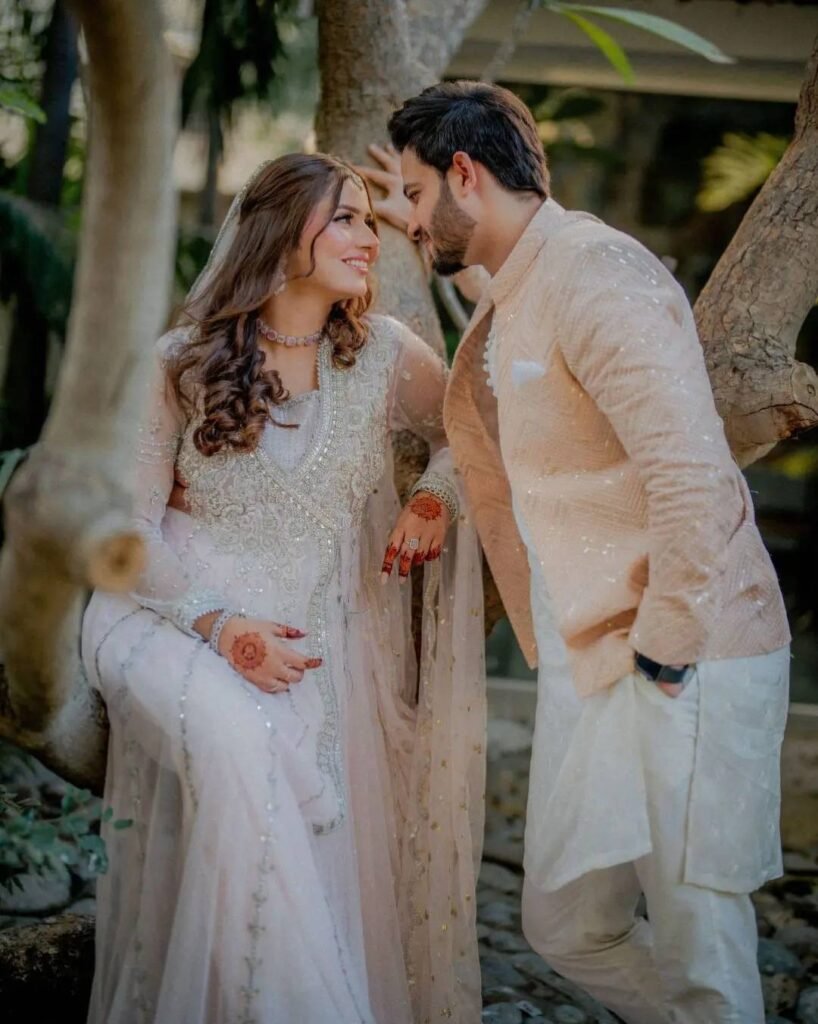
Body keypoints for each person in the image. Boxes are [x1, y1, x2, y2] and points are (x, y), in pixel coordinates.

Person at [359, 81, 791, 1023]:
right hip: (597, 662)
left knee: (701, 944)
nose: (414, 219)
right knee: (565, 926)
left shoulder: (598, 273)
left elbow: (692, 474)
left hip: (683, 654)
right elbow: (512, 317)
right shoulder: (528, 278)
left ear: (465, 174)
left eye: (420, 193)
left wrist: (668, 649)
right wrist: (411, 223)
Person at [82, 152, 486, 1024]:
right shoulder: (181, 362)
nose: (365, 238)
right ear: (276, 232)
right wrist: (219, 625)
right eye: (344, 218)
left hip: (312, 640)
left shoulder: (384, 355)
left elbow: (470, 427)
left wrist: (432, 498)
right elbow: (125, 533)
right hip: (165, 617)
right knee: (241, 744)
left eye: (368, 220)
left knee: (302, 810)